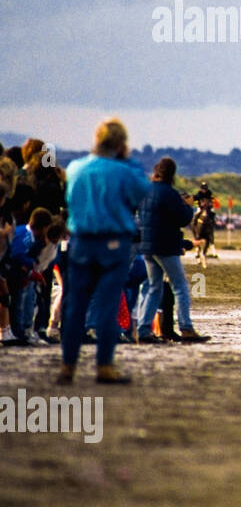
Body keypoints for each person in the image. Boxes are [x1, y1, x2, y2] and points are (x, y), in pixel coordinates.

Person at [58, 119, 150, 384]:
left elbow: (70, 201)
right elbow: (141, 190)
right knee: (108, 303)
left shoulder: (75, 168)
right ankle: (104, 365)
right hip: (113, 242)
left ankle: (68, 365)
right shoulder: (122, 171)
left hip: (81, 241)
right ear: (120, 145)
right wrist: (128, 160)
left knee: (76, 304)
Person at [135, 158, 209, 344]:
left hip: (147, 245)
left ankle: (143, 330)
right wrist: (189, 206)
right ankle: (186, 327)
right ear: (171, 174)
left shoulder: (145, 191)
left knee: (153, 288)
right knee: (181, 287)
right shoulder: (169, 193)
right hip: (165, 246)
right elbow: (183, 218)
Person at [1, 207, 55, 344]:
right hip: (13, 273)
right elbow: (16, 254)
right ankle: (17, 331)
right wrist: (31, 262)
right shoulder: (25, 236)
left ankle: (19, 330)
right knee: (16, 303)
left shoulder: (27, 236)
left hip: (18, 273)